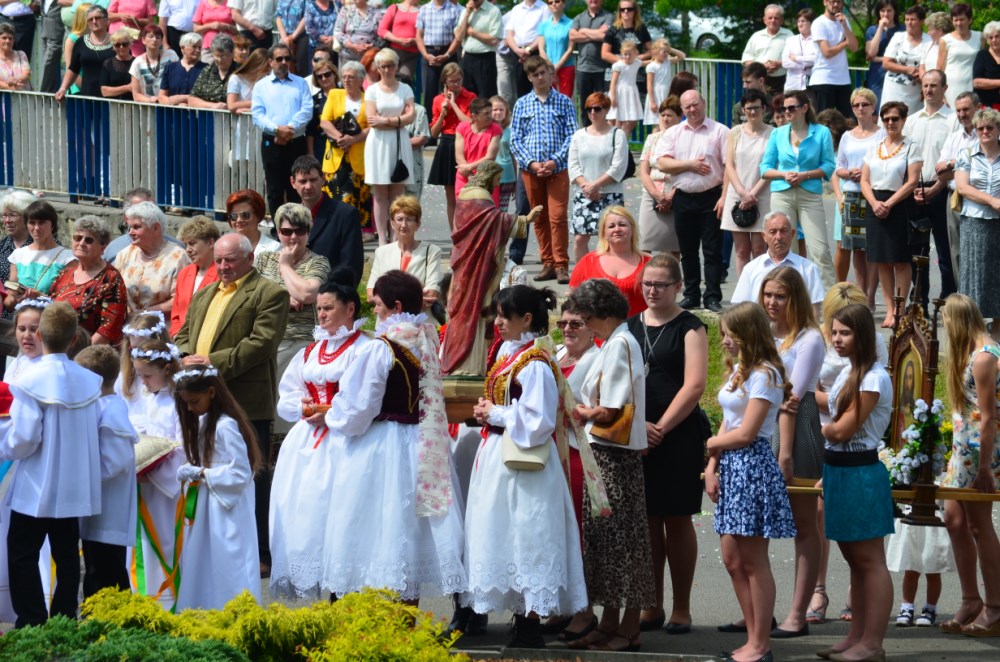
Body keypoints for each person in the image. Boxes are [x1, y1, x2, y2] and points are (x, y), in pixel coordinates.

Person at [320, 269, 466, 601]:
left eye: (377, 304)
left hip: (384, 446)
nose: (374, 310)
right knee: (409, 535)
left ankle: (367, 616)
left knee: (373, 529)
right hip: (422, 444)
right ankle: (406, 617)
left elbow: (359, 407)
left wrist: (331, 417)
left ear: (395, 307)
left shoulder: (381, 348)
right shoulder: (427, 340)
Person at [465, 285, 593, 647]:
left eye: (505, 316)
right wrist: (488, 411)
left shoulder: (535, 363)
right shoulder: (508, 354)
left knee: (529, 534)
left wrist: (495, 413)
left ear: (526, 319)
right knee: (503, 532)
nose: (499, 322)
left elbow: (539, 421)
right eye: (497, 315)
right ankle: (519, 616)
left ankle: (530, 621)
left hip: (524, 461)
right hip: (500, 455)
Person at [174, 233, 290, 578]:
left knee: (253, 475)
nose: (223, 266)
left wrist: (210, 362)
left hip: (246, 399)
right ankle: (210, 543)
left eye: (230, 260)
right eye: (219, 260)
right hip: (203, 396)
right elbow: (183, 333)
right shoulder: (205, 292)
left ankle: (262, 552)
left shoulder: (270, 293)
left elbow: (261, 344)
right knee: (209, 464)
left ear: (250, 259)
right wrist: (185, 357)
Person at [269, 268, 370, 599]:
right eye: (319, 308)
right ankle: (319, 581)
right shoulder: (310, 351)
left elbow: (364, 397)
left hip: (348, 439)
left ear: (350, 309)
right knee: (307, 510)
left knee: (344, 511)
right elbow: (286, 396)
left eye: (328, 308)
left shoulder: (364, 348)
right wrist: (303, 407)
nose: (322, 314)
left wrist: (331, 411)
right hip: (308, 445)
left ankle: (346, 588)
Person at [1, 301, 102, 628]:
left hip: (36, 484)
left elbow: (25, 438)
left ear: (42, 335)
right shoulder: (88, 380)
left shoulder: (31, 379)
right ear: (74, 340)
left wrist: (4, 446)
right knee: (67, 554)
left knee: (22, 553)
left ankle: (32, 621)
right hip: (73, 484)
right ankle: (63, 620)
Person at [704, 302, 796, 662]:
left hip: (752, 466)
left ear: (748, 333)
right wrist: (712, 466)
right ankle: (752, 635)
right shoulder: (740, 371)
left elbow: (747, 433)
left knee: (754, 559)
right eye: (723, 334)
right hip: (731, 465)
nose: (724, 340)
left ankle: (760, 644)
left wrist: (711, 443)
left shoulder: (766, 374)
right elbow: (729, 422)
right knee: (732, 558)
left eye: (730, 334)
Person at [566, 278, 654, 653]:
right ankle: (609, 622)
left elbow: (613, 408)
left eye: (586, 318)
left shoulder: (621, 343)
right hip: (603, 453)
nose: (585, 325)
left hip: (615, 456)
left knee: (624, 544)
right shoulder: (614, 342)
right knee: (606, 543)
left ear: (601, 314)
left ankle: (629, 628)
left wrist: (580, 411)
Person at [627, 254, 707, 635]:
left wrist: (659, 427)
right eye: (647, 284)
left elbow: (695, 385)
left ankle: (682, 607)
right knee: (646, 522)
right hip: (637, 435)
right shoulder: (629, 327)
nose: (653, 291)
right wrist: (637, 425)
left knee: (676, 519)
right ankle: (651, 603)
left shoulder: (690, 327)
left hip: (678, 435)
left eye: (661, 284)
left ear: (677, 286)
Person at [816, 303, 894, 662]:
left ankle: (872, 643)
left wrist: (823, 430)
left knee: (870, 560)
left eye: (845, 333)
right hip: (839, 470)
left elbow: (842, 430)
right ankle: (856, 635)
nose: (837, 339)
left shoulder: (874, 378)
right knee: (854, 559)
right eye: (834, 332)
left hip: (860, 472)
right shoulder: (850, 371)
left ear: (862, 335)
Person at [758, 267, 827, 640]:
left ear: (795, 298)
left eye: (780, 296)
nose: (771, 302)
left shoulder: (809, 338)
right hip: (761, 423)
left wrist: (784, 453)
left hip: (796, 429)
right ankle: (758, 612)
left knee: (803, 522)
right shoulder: (762, 332)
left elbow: (792, 397)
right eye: (767, 294)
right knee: (757, 524)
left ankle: (798, 613)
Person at [173, 363, 263, 610]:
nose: (190, 408)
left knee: (228, 555)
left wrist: (203, 472)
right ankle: (206, 605)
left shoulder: (226, 425)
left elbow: (241, 471)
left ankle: (231, 606)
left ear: (211, 393)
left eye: (194, 401)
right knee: (205, 555)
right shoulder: (205, 422)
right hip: (209, 500)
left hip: (227, 504)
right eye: (186, 403)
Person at [441, 161, 540, 375]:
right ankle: (467, 365)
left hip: (469, 263)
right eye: (496, 179)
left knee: (468, 310)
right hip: (474, 266)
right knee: (471, 310)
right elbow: (494, 221)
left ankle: (467, 364)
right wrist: (525, 220)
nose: (497, 184)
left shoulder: (466, 194)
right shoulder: (478, 196)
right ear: (488, 176)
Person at [940, 293, 1000, 636]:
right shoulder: (971, 353)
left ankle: (995, 606)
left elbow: (989, 417)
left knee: (979, 525)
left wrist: (985, 468)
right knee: (954, 519)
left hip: (979, 453)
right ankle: (970, 599)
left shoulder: (984, 357)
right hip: (962, 450)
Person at [255, 202, 331, 431]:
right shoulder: (263, 259)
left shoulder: (317, 262)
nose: (293, 237)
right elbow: (251, 295)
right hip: (265, 340)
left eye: (300, 231)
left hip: (300, 342)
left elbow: (308, 293)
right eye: (287, 231)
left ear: (308, 232)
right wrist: (283, 298)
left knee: (290, 408)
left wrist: (285, 267)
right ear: (278, 232)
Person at [653, 90, 728, 313]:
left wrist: (724, 196)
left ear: (703, 103)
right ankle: (691, 295)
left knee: (712, 251)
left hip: (711, 197)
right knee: (688, 251)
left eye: (695, 105)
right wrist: (689, 165)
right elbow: (662, 163)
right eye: (687, 107)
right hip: (683, 198)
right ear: (682, 110)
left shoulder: (720, 131)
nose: (692, 110)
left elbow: (729, 167)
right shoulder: (674, 133)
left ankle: (712, 296)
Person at [74, 344, 139, 598]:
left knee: (106, 573)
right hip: (97, 508)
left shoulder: (112, 412)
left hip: (108, 511)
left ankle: (112, 618)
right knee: (95, 568)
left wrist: (79, 474)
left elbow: (115, 462)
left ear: (95, 381)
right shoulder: (101, 405)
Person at [511, 55, 577, 285]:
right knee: (539, 218)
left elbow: (572, 135)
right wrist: (531, 163)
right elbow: (515, 140)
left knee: (557, 216)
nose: (540, 77)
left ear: (551, 74)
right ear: (529, 78)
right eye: (535, 74)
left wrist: (555, 161)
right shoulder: (522, 104)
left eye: (543, 73)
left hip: (557, 169)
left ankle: (561, 265)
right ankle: (547, 262)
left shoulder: (564, 102)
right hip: (531, 170)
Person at [761, 90, 837, 289]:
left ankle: (831, 301)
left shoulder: (821, 132)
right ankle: (787, 296)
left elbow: (829, 165)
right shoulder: (777, 133)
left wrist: (806, 175)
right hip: (782, 194)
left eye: (791, 107)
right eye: (784, 108)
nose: (786, 111)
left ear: (804, 108)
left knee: (820, 251)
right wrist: (783, 174)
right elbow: (765, 168)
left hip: (810, 194)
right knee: (785, 250)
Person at [860, 100, 922, 328]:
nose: (890, 123)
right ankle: (889, 309)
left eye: (895, 118)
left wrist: (888, 203)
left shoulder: (911, 147)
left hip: (899, 204)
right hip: (875, 204)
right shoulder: (874, 148)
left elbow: (912, 181)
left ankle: (900, 308)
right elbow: (864, 181)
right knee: (882, 260)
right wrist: (875, 203)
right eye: (886, 119)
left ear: (903, 120)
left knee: (900, 260)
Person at [905, 70, 955, 308]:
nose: (928, 90)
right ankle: (919, 301)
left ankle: (949, 299)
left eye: (934, 85)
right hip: (916, 190)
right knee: (917, 251)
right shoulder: (912, 120)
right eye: (925, 85)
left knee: (946, 250)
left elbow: (956, 161)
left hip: (942, 190)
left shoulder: (953, 120)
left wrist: (937, 187)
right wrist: (912, 187)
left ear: (944, 88)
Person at [251, 44, 313, 216]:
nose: (284, 62)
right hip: (272, 143)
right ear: (270, 62)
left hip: (296, 142)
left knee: (297, 187)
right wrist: (277, 130)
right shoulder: (261, 86)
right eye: (279, 59)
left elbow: (307, 110)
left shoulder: (301, 83)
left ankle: (297, 223)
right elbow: (258, 114)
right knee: (274, 189)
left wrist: (288, 131)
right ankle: (278, 227)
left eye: (287, 58)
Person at [567, 92, 629, 262]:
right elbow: (573, 166)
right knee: (580, 239)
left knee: (612, 240)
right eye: (589, 109)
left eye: (597, 109)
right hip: (584, 193)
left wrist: (596, 185)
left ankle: (611, 273)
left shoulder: (617, 135)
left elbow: (618, 167)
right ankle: (583, 275)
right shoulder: (579, 135)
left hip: (610, 194)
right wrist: (587, 187)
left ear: (606, 110)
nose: (592, 113)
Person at [835, 87, 883, 302]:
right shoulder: (847, 136)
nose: (861, 108)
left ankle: (871, 295)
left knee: (873, 248)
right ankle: (861, 293)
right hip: (852, 195)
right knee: (857, 249)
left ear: (873, 107)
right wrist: (849, 173)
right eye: (856, 105)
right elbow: (839, 167)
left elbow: (885, 160)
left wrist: (865, 173)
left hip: (873, 194)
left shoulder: (882, 134)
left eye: (865, 104)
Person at [364, 48, 415, 246]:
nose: (387, 70)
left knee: (397, 196)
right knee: (380, 195)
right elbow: (372, 121)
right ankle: (382, 240)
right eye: (383, 66)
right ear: (378, 68)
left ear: (396, 66)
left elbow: (411, 117)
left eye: (390, 65)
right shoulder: (372, 90)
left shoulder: (405, 89)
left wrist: (386, 120)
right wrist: (398, 120)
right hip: (378, 144)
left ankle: (396, 239)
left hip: (399, 143)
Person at [50, 216, 127, 346]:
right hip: (57, 346)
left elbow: (109, 329)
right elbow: (51, 304)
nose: (81, 243)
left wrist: (80, 353)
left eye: (89, 240)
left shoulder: (111, 278)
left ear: (103, 247)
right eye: (78, 238)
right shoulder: (66, 272)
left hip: (89, 351)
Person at [289, 155, 364, 287]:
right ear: (293, 182)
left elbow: (351, 265)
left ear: (323, 179)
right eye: (303, 181)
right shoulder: (288, 216)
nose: (308, 186)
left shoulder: (346, 214)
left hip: (331, 293)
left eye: (313, 180)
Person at [319, 60, 373, 242]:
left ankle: (361, 231)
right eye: (344, 77)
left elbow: (372, 126)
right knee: (335, 194)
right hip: (337, 154)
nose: (347, 80)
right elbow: (325, 121)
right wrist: (341, 138)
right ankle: (335, 231)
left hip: (359, 155)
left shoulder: (368, 99)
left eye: (351, 77)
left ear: (361, 79)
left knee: (359, 194)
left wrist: (354, 139)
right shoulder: (335, 94)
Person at [955, 107, 1000, 324]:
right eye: (980, 128)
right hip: (974, 222)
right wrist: (992, 200)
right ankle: (973, 329)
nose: (985, 132)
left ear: (998, 129)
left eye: (989, 127)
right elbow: (962, 187)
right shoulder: (966, 153)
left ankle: (998, 332)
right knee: (974, 276)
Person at [723, 89, 772, 278]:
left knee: (759, 249)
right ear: (743, 109)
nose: (753, 112)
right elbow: (729, 164)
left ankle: (760, 288)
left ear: (764, 108)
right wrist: (742, 192)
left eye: (757, 108)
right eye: (749, 108)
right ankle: (743, 289)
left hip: (763, 194)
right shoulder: (735, 132)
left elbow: (772, 166)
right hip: (737, 193)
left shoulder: (773, 133)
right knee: (741, 250)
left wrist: (753, 193)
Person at [731, 212, 825, 309]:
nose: (779, 237)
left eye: (783, 231)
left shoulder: (808, 269)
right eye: (773, 232)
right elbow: (740, 309)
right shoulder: (751, 269)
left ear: (792, 234)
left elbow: (814, 310)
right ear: (764, 236)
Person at [113, 201, 191, 316]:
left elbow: (180, 299)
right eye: (129, 227)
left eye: (136, 227)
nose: (130, 232)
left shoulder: (178, 257)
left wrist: (143, 314)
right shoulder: (124, 255)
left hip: (161, 325)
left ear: (155, 228)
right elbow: (114, 293)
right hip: (127, 324)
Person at [569, 206, 649, 317]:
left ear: (632, 229)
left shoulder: (648, 263)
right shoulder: (588, 261)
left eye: (622, 225)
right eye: (611, 226)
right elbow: (573, 296)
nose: (617, 229)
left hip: (638, 326)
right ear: (604, 233)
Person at [366, 195, 441, 308]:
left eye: (409, 219)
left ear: (418, 224)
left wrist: (387, 298)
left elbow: (431, 294)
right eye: (400, 219)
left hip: (420, 318)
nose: (404, 225)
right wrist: (414, 298)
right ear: (392, 223)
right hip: (388, 319)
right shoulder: (382, 252)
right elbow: (371, 294)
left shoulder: (432, 251)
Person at [937, 91, 981, 281]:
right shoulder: (954, 137)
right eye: (958, 110)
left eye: (966, 109)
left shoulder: (989, 134)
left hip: (981, 198)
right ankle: (962, 292)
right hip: (956, 198)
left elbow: (984, 166)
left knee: (980, 249)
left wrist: (953, 163)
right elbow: (940, 170)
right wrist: (963, 164)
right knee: (957, 250)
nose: (962, 114)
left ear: (978, 108)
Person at [886, 502, 952, 628]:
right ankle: (907, 607)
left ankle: (930, 608)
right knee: (910, 569)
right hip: (911, 518)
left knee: (933, 570)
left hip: (934, 519)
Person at [4, 201, 76, 310]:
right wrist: (15, 299)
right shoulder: (18, 255)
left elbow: (69, 300)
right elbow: (10, 300)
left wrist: (41, 296)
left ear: (52, 225)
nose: (36, 228)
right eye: (32, 223)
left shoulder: (68, 258)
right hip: (22, 316)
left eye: (42, 223)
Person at [428, 62, 475, 230]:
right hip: (447, 144)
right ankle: (455, 233)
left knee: (467, 193)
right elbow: (434, 133)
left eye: (458, 80)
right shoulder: (438, 100)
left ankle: (468, 230)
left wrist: (454, 105)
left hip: (465, 143)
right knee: (451, 195)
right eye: (452, 81)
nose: (456, 84)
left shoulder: (470, 97)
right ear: (445, 82)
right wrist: (443, 113)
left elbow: (470, 123)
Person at [638, 97, 680, 257]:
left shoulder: (684, 139)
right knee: (644, 243)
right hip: (651, 191)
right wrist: (656, 195)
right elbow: (644, 171)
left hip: (675, 192)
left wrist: (670, 197)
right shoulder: (652, 139)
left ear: (679, 117)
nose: (665, 119)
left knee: (673, 246)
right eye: (663, 115)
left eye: (670, 115)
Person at [171, 216, 220, 336]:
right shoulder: (184, 273)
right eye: (186, 245)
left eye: (192, 243)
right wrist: (177, 336)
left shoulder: (222, 274)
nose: (188, 250)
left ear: (210, 243)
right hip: (181, 341)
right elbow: (176, 314)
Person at [55, 6, 115, 100]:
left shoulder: (117, 42)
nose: (94, 22)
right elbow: (73, 69)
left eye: (97, 18)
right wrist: (63, 88)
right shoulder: (81, 42)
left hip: (113, 98)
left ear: (106, 20)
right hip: (87, 96)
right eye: (90, 19)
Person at [809, 0, 858, 116]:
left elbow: (854, 47)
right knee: (824, 120)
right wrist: (845, 42)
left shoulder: (844, 21)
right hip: (824, 79)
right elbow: (827, 52)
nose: (836, 5)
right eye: (833, 1)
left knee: (849, 120)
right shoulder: (819, 23)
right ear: (825, 2)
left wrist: (845, 26)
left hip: (843, 79)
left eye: (839, 2)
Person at [880, 5, 930, 114]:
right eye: (907, 19)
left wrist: (923, 77)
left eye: (913, 19)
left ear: (922, 21)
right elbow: (886, 63)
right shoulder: (898, 37)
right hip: (893, 88)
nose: (909, 23)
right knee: (891, 116)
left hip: (916, 91)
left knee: (912, 120)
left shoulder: (929, 41)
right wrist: (907, 70)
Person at [569, 0, 612, 126]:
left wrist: (583, 30)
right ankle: (586, 131)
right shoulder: (579, 17)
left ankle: (602, 131)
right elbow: (572, 36)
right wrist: (596, 33)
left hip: (602, 69)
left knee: (602, 104)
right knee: (585, 105)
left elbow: (604, 36)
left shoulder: (609, 16)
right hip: (583, 69)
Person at [415, 0, 462, 108]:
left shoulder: (454, 10)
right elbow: (419, 36)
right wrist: (425, 55)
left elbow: (457, 37)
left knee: (450, 90)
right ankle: (429, 118)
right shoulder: (424, 9)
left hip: (448, 53)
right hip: (428, 53)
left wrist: (447, 55)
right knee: (429, 92)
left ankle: (450, 117)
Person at [600, 0, 650, 99]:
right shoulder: (613, 29)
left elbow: (652, 50)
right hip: (616, 74)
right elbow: (604, 54)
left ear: (635, 11)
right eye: (622, 9)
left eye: (629, 9)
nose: (626, 11)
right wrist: (624, 61)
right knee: (615, 105)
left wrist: (640, 57)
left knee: (636, 104)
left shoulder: (641, 29)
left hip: (636, 75)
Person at [742, 5, 793, 95]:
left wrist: (780, 64)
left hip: (782, 81)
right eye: (770, 18)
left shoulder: (789, 35)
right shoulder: (756, 36)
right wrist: (761, 67)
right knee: (758, 103)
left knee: (779, 104)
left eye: (776, 18)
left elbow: (796, 58)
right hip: (758, 81)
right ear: (764, 20)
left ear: (781, 20)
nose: (773, 20)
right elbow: (746, 59)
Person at [502, 0, 548, 100]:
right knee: (520, 90)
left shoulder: (544, 8)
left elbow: (544, 33)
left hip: (535, 52)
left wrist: (528, 50)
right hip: (517, 54)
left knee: (538, 86)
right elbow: (509, 34)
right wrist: (516, 50)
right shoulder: (516, 9)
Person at [0, 190, 35, 320]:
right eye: (4, 215)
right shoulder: (2, 247)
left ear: (27, 217)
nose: (7, 220)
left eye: (13, 215)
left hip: (32, 315)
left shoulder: (46, 247)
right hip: (3, 315)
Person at [938, 3, 981, 108]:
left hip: (972, 84)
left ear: (969, 20)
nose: (958, 23)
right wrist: (941, 95)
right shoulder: (945, 40)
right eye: (955, 20)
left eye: (962, 19)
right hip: (951, 86)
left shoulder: (980, 37)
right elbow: (939, 70)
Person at [864, 0, 901, 107]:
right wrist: (880, 28)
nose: (885, 14)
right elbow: (871, 52)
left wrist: (880, 59)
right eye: (882, 11)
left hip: (897, 75)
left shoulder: (902, 29)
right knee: (877, 108)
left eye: (889, 11)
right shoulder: (872, 30)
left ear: (894, 12)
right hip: (877, 77)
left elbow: (903, 55)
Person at [129, 24, 179, 103]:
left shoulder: (171, 55)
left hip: (170, 104)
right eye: (151, 36)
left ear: (161, 40)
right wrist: (151, 100)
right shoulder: (137, 63)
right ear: (143, 40)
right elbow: (136, 95)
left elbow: (179, 79)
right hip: (148, 106)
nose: (154, 40)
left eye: (158, 37)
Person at [156, 31, 207, 105]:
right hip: (173, 111)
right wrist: (175, 104)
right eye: (194, 47)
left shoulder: (206, 69)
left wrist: (183, 98)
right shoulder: (170, 68)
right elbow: (162, 96)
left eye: (199, 47)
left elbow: (207, 97)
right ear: (183, 48)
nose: (198, 50)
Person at [534, 0, 573, 97]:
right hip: (547, 69)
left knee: (566, 98)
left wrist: (556, 67)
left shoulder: (571, 23)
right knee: (548, 97)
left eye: (557, 1)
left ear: (564, 4)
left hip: (566, 67)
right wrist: (550, 67)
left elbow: (570, 49)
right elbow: (541, 48)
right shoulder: (543, 25)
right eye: (550, 3)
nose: (553, 4)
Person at [378, 0, 421, 86]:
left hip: (411, 55)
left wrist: (415, 40)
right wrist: (396, 39)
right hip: (393, 52)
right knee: (388, 80)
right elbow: (381, 30)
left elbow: (427, 34)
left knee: (404, 81)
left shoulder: (423, 10)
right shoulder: (394, 8)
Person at [226, 188, 280, 255]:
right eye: (234, 216)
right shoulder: (224, 247)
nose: (239, 220)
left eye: (245, 215)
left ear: (258, 216)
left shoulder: (274, 249)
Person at [188, 33, 236, 108]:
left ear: (232, 53)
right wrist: (212, 106)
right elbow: (192, 99)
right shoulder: (207, 71)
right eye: (217, 56)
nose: (220, 60)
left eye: (223, 56)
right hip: (209, 114)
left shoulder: (241, 71)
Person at [643, 38, 683, 127]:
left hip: (666, 92)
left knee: (667, 121)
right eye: (664, 52)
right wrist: (652, 102)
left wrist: (670, 49)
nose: (666, 54)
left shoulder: (667, 62)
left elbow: (682, 56)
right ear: (655, 52)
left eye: (667, 52)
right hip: (656, 95)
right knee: (658, 123)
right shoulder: (652, 66)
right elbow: (649, 85)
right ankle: (654, 136)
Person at [607, 39, 642, 137]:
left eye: (630, 54)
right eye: (625, 54)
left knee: (629, 120)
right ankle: (611, 139)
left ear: (635, 53)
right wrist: (613, 97)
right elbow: (613, 83)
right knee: (616, 119)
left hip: (631, 93)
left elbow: (647, 62)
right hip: (619, 93)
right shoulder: (619, 65)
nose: (627, 56)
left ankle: (624, 142)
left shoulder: (637, 63)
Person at [305, 58, 338, 161]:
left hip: (346, 144)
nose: (324, 78)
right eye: (319, 76)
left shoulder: (346, 94)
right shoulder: (314, 100)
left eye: (327, 74)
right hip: (322, 146)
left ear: (334, 74)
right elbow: (310, 131)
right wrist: (311, 155)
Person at [333, 0, 381, 68]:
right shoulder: (346, 10)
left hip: (369, 58)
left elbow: (381, 34)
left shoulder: (376, 13)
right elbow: (337, 31)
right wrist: (351, 45)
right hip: (348, 58)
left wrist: (372, 45)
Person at [782, 9, 817, 95]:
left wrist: (796, 58)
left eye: (803, 21)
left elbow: (817, 59)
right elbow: (785, 62)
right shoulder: (791, 40)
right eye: (798, 21)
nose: (800, 24)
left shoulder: (818, 40)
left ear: (812, 23)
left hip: (811, 85)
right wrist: (805, 65)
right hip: (792, 85)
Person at [39, 0, 67, 92]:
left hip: (57, 34)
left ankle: (42, 95)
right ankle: (48, 94)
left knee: (48, 64)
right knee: (46, 65)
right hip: (44, 32)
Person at [274, 0, 308, 76]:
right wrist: (284, 37)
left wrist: (293, 36)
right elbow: (278, 16)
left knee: (301, 64)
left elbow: (307, 17)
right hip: (285, 35)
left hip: (302, 35)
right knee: (280, 61)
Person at [974, 22, 1000, 111]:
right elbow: (977, 82)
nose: (994, 40)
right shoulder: (982, 55)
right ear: (987, 40)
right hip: (986, 107)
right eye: (990, 38)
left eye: (997, 36)